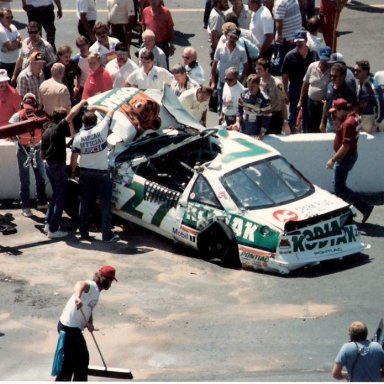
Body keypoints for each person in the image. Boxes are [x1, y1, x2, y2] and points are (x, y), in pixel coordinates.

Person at [54, 265, 118, 381]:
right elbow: (80, 284)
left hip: (69, 327)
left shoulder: (97, 291)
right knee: (81, 360)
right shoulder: (92, 286)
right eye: (111, 281)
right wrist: (78, 297)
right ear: (106, 280)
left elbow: (89, 308)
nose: (111, 284)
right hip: (70, 328)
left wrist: (90, 323)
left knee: (73, 361)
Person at [70, 104, 119, 242]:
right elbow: (111, 110)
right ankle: (106, 234)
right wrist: (95, 107)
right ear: (95, 121)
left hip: (85, 174)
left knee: (85, 204)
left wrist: (73, 171)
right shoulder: (101, 129)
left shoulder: (79, 137)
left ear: (83, 123)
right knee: (105, 205)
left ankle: (84, 233)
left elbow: (74, 157)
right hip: (102, 174)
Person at [326, 98, 374, 223]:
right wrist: (337, 121)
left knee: (339, 188)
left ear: (342, 110)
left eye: (336, 111)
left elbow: (346, 146)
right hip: (350, 155)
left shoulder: (348, 123)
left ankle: (362, 208)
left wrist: (333, 159)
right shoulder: (354, 116)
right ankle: (353, 211)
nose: (334, 114)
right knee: (339, 186)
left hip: (345, 158)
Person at [41, 105, 80, 238]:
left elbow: (42, 154)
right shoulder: (59, 128)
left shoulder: (46, 131)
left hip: (49, 166)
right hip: (58, 167)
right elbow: (73, 113)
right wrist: (83, 102)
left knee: (55, 196)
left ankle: (48, 223)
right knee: (61, 199)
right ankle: (53, 229)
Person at [8, 92, 48, 217]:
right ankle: (25, 206)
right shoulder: (17, 116)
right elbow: (10, 129)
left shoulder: (39, 115)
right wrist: (16, 140)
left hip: (36, 148)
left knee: (40, 176)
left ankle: (41, 202)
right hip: (23, 149)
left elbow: (45, 129)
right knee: (25, 179)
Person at [281, 29, 318, 133]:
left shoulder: (313, 54)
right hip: (295, 88)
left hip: (310, 88)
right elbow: (285, 75)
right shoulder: (289, 56)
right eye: (296, 42)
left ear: (306, 41)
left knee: (309, 113)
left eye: (300, 42)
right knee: (293, 114)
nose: (298, 44)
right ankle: (293, 133)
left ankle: (307, 132)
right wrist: (285, 92)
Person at [211, 26, 248, 113]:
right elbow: (214, 65)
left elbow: (246, 67)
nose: (232, 39)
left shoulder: (241, 50)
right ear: (227, 36)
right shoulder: (220, 48)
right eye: (230, 36)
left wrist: (241, 81)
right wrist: (213, 82)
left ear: (237, 39)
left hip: (234, 83)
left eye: (234, 38)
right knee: (221, 106)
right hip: (222, 82)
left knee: (235, 106)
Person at [298, 45, 331, 133]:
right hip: (310, 103)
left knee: (321, 128)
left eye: (327, 60)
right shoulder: (312, 66)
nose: (325, 62)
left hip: (323, 105)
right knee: (309, 126)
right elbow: (305, 84)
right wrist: (301, 100)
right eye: (323, 59)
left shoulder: (332, 70)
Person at [232, 73, 272, 139]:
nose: (250, 88)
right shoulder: (243, 94)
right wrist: (237, 122)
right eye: (248, 85)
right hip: (243, 129)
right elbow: (239, 109)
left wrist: (262, 133)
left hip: (256, 132)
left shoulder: (264, 99)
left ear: (258, 85)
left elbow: (267, 118)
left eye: (253, 86)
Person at [320, 62, 357, 133]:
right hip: (330, 123)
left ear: (343, 76)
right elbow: (326, 103)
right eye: (331, 76)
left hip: (343, 124)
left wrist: (342, 113)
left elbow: (355, 109)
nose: (332, 78)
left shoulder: (349, 91)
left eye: (335, 76)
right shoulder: (329, 86)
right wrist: (322, 122)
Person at [256, 58, 290, 135]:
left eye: (259, 69)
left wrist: (285, 122)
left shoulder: (277, 84)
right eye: (256, 69)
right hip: (262, 117)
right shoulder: (258, 82)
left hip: (274, 118)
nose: (257, 71)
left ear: (266, 69)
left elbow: (283, 104)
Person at [271, 0, 302, 75]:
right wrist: (280, 36)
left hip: (294, 36)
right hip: (287, 38)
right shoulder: (280, 3)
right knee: (282, 60)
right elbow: (279, 22)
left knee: (291, 60)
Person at [141, 0, 175, 69]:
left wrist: (171, 44)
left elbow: (170, 29)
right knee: (146, 66)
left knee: (164, 68)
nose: (153, 2)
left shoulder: (166, 12)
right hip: (149, 45)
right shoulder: (145, 11)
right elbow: (143, 27)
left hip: (162, 44)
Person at [353, 60, 384, 134]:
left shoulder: (373, 87)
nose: (355, 73)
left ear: (366, 71)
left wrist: (376, 124)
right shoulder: (359, 84)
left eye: (358, 71)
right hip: (362, 120)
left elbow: (381, 106)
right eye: (354, 70)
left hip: (371, 122)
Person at [0, 8, 22, 78]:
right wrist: (16, 43)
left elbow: (20, 42)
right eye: (7, 17)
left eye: (11, 17)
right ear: (1, 18)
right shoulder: (1, 30)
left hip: (16, 62)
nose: (10, 19)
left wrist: (10, 47)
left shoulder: (13, 27)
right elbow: (11, 46)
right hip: (5, 64)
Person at [72, 35, 90, 102]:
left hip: (94, 85)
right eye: (80, 45)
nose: (82, 47)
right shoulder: (76, 60)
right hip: (82, 88)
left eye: (84, 44)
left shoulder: (94, 56)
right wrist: (75, 88)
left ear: (88, 44)